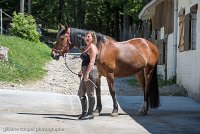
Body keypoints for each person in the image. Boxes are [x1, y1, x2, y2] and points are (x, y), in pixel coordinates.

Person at [77, 31, 99, 120]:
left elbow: (92, 62)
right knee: (81, 92)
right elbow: (85, 61)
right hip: (85, 71)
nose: (86, 37)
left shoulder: (93, 47)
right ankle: (84, 112)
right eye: (86, 36)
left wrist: (86, 74)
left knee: (90, 93)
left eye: (88, 36)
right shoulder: (87, 47)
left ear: (93, 38)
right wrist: (81, 71)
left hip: (91, 71)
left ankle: (90, 114)